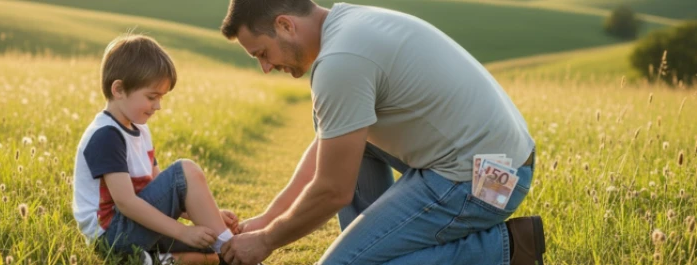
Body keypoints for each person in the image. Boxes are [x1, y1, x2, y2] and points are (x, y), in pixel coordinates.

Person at [218, 1, 545, 264]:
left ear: (285, 25)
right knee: (330, 125)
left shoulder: (340, 62)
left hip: (484, 183)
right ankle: (369, 246)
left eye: (262, 53)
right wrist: (266, 220)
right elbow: (328, 154)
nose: (265, 67)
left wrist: (266, 241)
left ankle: (507, 249)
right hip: (491, 166)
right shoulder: (349, 24)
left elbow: (333, 190)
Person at [71, 34, 238, 265]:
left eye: (161, 98)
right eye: (152, 97)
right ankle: (235, 253)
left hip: (137, 228)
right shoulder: (106, 135)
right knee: (186, 171)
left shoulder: (140, 129)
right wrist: (182, 231)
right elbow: (127, 203)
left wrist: (208, 215)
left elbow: (166, 196)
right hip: (112, 236)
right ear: (118, 89)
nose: (158, 106)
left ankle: (150, 261)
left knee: (208, 255)